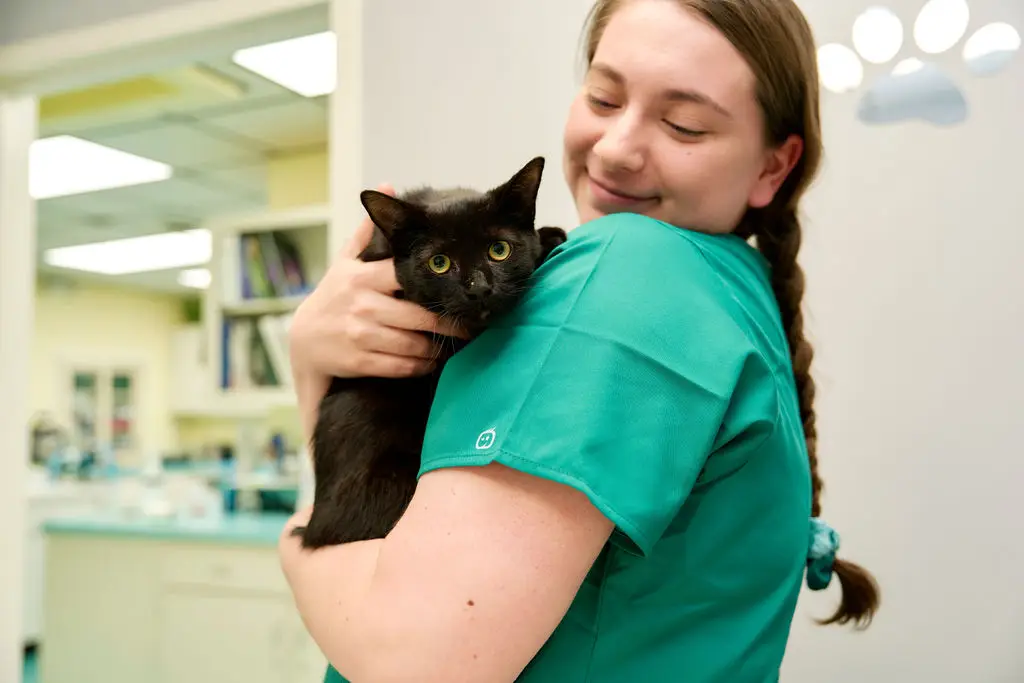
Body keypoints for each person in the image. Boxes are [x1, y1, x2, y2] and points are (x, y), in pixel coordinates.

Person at [279, 0, 881, 681]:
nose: (617, 149)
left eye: (684, 125)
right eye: (604, 96)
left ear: (775, 165)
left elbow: (412, 662)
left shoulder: (625, 267)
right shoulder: (733, 287)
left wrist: (293, 539)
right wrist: (317, 358)